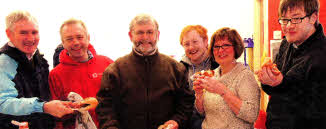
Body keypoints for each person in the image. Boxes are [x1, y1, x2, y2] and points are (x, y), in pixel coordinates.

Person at [96, 14, 194, 129]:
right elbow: (105, 108)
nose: (145, 37)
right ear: (130, 35)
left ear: (157, 35)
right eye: (140, 33)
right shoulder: (115, 71)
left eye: (150, 32)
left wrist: (177, 121)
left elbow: (186, 103)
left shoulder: (176, 69)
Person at [256, 0, 326, 128]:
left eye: (296, 18)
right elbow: (275, 90)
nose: (288, 26)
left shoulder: (321, 55)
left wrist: (281, 83)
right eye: (284, 19)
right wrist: (268, 81)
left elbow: (315, 109)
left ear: (313, 17)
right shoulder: (286, 44)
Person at [0, 10, 74, 129]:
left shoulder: (39, 59)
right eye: (23, 33)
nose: (30, 38)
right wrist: (43, 106)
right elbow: (3, 102)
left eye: (34, 32)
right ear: (9, 34)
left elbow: (45, 95)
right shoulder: (4, 62)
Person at [48, 18, 114, 129]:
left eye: (79, 37)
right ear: (63, 43)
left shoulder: (107, 63)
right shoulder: (55, 75)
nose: (76, 43)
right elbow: (56, 119)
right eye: (69, 39)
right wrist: (70, 109)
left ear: (88, 38)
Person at [193, 27, 260, 129]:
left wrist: (222, 91)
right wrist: (199, 94)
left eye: (226, 45)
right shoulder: (212, 74)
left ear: (236, 48)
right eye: (216, 46)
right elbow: (202, 111)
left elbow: (251, 114)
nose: (220, 50)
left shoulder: (245, 75)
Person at [179, 25, 219, 129]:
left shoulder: (219, 64)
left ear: (205, 42)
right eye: (186, 44)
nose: (191, 47)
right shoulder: (179, 69)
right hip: (188, 122)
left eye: (195, 42)